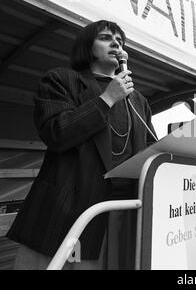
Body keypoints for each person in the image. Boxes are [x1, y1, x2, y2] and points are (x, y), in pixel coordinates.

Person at [7, 20, 157, 270]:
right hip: (67, 209)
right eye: (106, 38)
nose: (116, 43)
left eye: (120, 40)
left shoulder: (138, 100)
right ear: (87, 47)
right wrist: (107, 98)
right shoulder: (61, 80)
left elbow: (151, 150)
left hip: (124, 212)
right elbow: (57, 132)